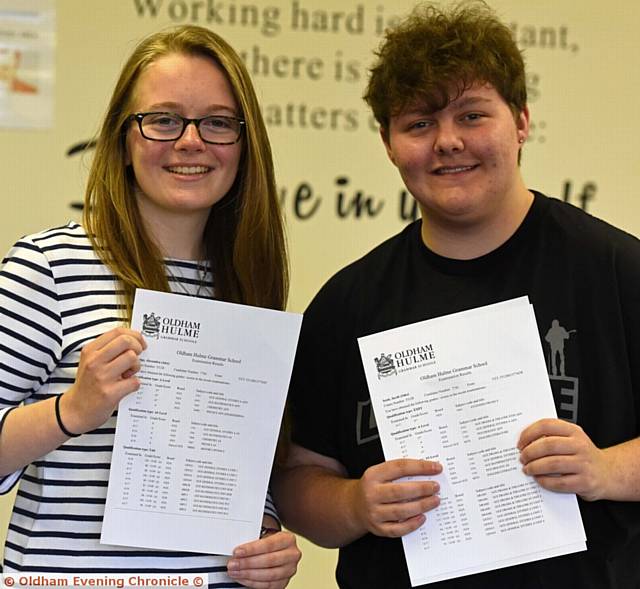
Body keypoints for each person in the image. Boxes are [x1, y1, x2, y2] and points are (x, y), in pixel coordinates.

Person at [272, 2, 640, 588]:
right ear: (389, 144)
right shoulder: (347, 304)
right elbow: (297, 478)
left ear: (521, 122)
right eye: (419, 123)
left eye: (472, 115)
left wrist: (604, 470)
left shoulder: (618, 271)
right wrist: (353, 505)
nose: (447, 142)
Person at [0, 25, 301, 586]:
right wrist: (72, 410)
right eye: (163, 119)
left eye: (217, 122)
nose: (191, 142)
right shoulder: (48, 266)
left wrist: (266, 538)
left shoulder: (245, 284)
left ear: (244, 141)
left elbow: (240, 474)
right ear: (123, 136)